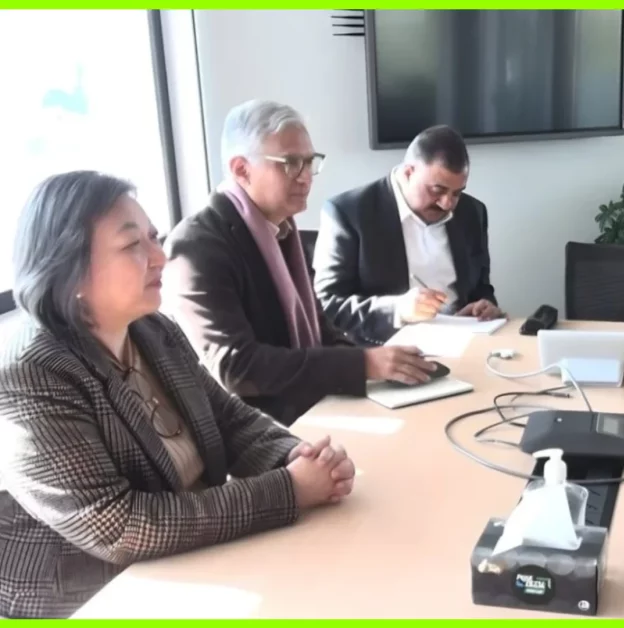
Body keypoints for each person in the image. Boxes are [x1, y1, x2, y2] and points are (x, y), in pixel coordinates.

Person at [0, 171, 357, 618]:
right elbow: (119, 526)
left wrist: (295, 455)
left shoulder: (152, 328)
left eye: (154, 237)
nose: (160, 257)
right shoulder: (29, 373)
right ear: (68, 269)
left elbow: (227, 417)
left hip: (190, 559)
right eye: (132, 245)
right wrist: (289, 489)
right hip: (91, 593)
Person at [163, 100, 437, 426]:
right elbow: (238, 367)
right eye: (291, 163)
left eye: (309, 162)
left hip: (318, 407)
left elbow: (322, 330)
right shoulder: (197, 246)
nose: (306, 177)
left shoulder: (283, 231)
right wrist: (363, 365)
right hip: (259, 430)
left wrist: (383, 365)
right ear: (241, 169)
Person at [313, 124, 501, 345]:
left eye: (457, 193)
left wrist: (484, 305)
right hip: (385, 348)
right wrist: (397, 310)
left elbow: (481, 287)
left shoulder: (472, 212)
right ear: (408, 172)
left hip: (464, 343)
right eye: (437, 190)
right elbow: (328, 304)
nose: (448, 203)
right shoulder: (348, 213)